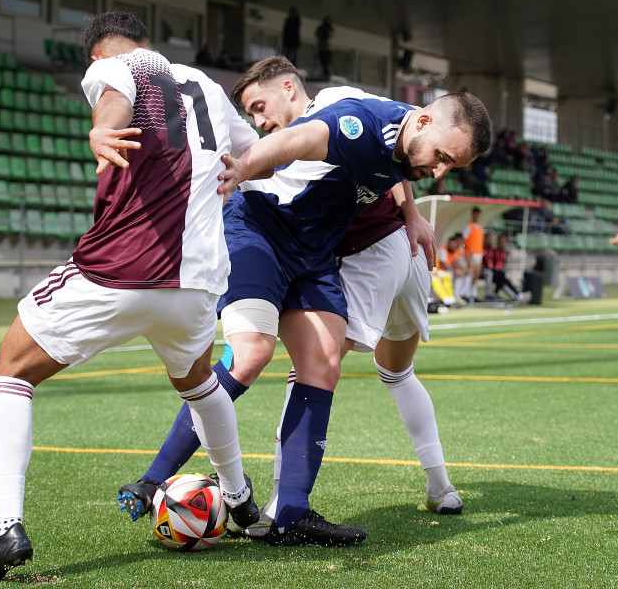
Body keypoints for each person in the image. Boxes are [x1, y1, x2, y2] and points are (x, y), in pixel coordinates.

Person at [117, 56, 491, 547]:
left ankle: (292, 512)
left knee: (323, 363)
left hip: (315, 253)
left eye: (451, 165)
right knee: (251, 355)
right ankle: (151, 479)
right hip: (260, 231)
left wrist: (411, 213)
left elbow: (403, 155)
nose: (440, 171)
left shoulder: (413, 128)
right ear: (422, 121)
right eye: (442, 158)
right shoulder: (354, 120)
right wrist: (242, 167)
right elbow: (298, 140)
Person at [0, 11, 261, 581]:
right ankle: (241, 498)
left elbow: (114, 93)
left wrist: (102, 127)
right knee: (201, 383)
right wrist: (236, 176)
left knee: (11, 372)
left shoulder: (121, 66)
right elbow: (250, 150)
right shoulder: (202, 83)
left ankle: (8, 528)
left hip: (119, 273)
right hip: (197, 284)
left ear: (98, 54)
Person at [483, 233, 530, 302]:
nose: (503, 243)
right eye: (502, 241)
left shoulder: (503, 251)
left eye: (504, 241)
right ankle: (517, 296)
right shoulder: (493, 250)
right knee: (501, 278)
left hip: (496, 272)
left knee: (503, 278)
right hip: (489, 270)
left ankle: (517, 295)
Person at [438, 235, 471, 302]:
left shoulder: (456, 251)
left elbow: (455, 263)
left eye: (454, 245)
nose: (452, 246)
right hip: (440, 270)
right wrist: (455, 269)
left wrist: (461, 269)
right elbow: (445, 265)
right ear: (448, 243)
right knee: (451, 273)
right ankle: (449, 296)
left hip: (450, 270)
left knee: (465, 273)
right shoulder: (443, 249)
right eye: (451, 245)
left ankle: (459, 295)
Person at [462, 207, 484, 302]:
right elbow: (464, 240)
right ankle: (465, 293)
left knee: (476, 275)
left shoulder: (480, 227)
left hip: (479, 253)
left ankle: (473, 294)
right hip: (471, 254)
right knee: (470, 272)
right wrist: (470, 249)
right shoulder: (468, 226)